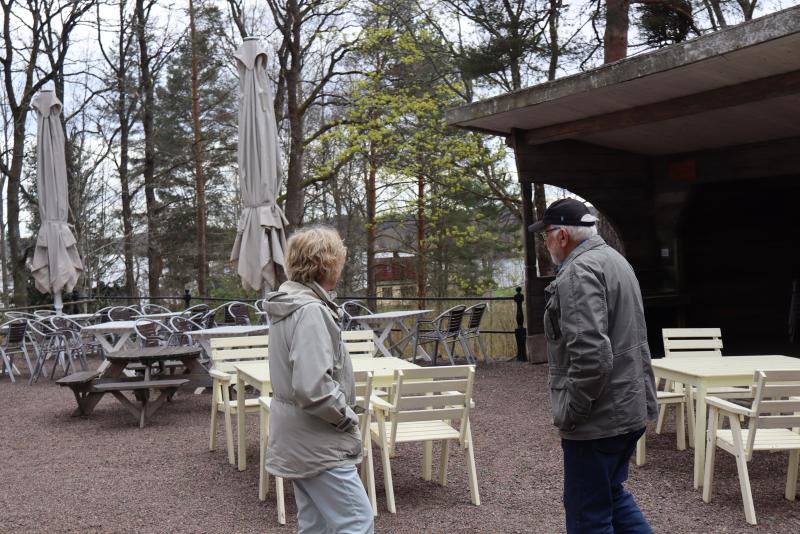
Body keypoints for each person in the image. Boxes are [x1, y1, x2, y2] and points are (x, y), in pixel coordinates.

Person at [529, 198, 658, 534]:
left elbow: (591, 356)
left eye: (545, 235)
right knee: (610, 496)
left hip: (599, 419)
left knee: (588, 514)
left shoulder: (578, 272)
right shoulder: (615, 260)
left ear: (562, 236)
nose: (545, 243)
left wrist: (574, 410)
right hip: (628, 406)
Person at [263, 226, 373, 534]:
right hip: (319, 442)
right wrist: (346, 417)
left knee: (316, 525)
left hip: (299, 438)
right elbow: (313, 388)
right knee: (357, 523)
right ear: (328, 265)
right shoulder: (311, 311)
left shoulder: (289, 305)